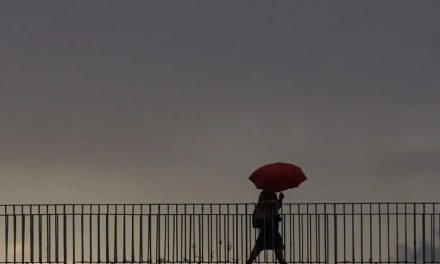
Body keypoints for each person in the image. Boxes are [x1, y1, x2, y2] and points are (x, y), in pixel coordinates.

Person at [246, 190, 286, 264]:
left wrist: (280, 199)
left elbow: (277, 207)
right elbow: (261, 204)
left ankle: (282, 261)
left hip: (273, 223)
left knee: (277, 242)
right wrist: (272, 201)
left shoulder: (273, 193)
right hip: (266, 223)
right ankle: (249, 261)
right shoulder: (264, 193)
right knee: (261, 244)